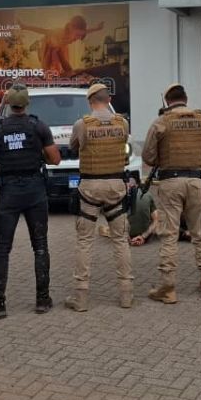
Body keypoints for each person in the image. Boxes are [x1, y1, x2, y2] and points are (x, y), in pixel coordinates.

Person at [0, 84, 61, 318]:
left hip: (8, 191)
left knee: (2, 248)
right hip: (35, 190)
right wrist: (38, 154)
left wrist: (2, 175)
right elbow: (55, 159)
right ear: (27, 103)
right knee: (40, 246)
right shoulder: (39, 126)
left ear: (8, 104)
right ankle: (42, 300)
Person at [141, 83, 201, 304]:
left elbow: (148, 156)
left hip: (171, 182)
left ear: (167, 101)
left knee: (169, 235)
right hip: (196, 181)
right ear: (186, 99)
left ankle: (168, 288)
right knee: (199, 233)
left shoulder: (161, 122)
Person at [65, 82, 133, 311]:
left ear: (90, 102)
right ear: (109, 100)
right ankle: (126, 295)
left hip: (90, 187)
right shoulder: (122, 123)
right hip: (116, 186)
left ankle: (81, 297)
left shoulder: (82, 124)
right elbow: (123, 146)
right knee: (120, 240)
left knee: (85, 241)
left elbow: (73, 147)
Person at [20, 15, 105, 77]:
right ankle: (37, 45)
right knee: (47, 68)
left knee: (64, 64)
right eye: (77, 35)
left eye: (80, 35)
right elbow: (42, 30)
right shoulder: (59, 32)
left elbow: (86, 31)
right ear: (70, 28)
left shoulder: (76, 34)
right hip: (48, 44)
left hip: (59, 46)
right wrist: (25, 27)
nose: (78, 38)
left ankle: (66, 73)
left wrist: (97, 28)